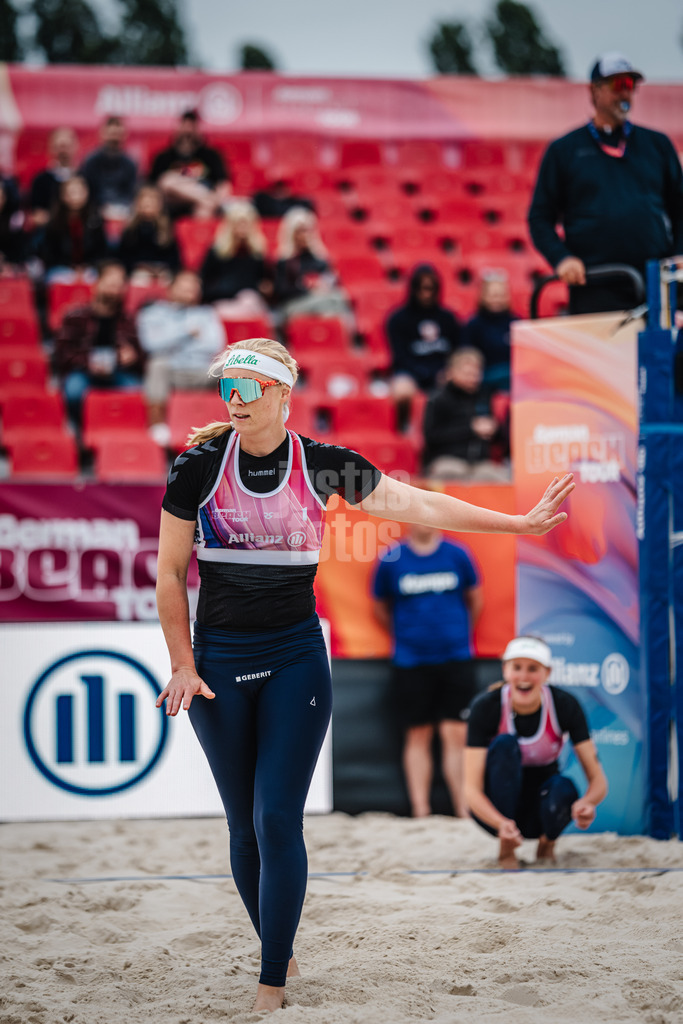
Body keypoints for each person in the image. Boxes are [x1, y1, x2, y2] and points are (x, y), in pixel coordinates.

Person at [154, 332, 574, 1013]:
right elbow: (169, 575)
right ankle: (277, 946)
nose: (232, 398)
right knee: (241, 828)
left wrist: (517, 525)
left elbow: (424, 507)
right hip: (217, 662)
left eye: (246, 386)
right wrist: (181, 663)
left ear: (282, 395)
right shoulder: (198, 466)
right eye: (225, 386)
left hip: (294, 654)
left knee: (277, 818)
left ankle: (271, 985)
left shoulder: (323, 466)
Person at [528, 53, 683, 315]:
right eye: (616, 85)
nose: (624, 94)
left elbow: (680, 209)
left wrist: (680, 253)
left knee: (660, 355)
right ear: (594, 91)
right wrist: (561, 258)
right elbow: (539, 218)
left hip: (655, 281)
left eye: (630, 86)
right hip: (595, 282)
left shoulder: (657, 145)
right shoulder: (564, 150)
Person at [464, 635, 608, 870]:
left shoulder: (564, 705)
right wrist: (500, 823)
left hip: (541, 808)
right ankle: (506, 847)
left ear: (547, 673)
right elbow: (471, 790)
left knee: (563, 787)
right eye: (517, 667)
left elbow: (598, 780)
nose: (523, 676)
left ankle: (547, 843)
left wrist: (587, 803)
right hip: (496, 812)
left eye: (533, 668)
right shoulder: (486, 707)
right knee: (504, 746)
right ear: (505, 670)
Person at [372, 520, 482, 818]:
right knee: (418, 734)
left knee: (455, 735)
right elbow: (380, 605)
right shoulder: (391, 558)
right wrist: (404, 635)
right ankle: (421, 811)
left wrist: (458, 634)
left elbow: (475, 599)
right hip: (411, 660)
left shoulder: (458, 553)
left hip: (455, 657)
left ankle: (463, 809)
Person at [53, 260, 145, 425]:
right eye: (111, 282)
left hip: (117, 371)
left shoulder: (127, 320)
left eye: (119, 283)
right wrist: (88, 362)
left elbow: (140, 356)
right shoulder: (75, 316)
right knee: (74, 392)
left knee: (135, 391)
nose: (115, 288)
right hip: (83, 371)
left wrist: (133, 356)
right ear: (98, 283)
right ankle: (78, 430)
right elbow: (63, 353)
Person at [136, 269, 225, 438]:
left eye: (194, 286)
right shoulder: (153, 313)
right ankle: (157, 427)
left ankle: (238, 427)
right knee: (156, 364)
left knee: (233, 368)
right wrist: (187, 333)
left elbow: (214, 345)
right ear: (171, 288)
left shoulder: (207, 313)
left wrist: (171, 342)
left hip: (203, 371)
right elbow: (151, 345)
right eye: (185, 285)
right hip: (173, 371)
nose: (191, 290)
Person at [386, 263, 461, 431]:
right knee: (402, 390)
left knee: (462, 381)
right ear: (413, 288)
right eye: (422, 288)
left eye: (430, 288)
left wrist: (448, 372)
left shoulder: (448, 318)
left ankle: (452, 428)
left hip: (442, 372)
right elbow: (400, 356)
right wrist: (424, 373)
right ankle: (402, 429)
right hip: (410, 372)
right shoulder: (398, 319)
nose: (426, 293)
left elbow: (457, 351)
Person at [422, 347, 509, 482]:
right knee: (449, 474)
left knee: (503, 478)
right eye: (467, 373)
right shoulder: (438, 399)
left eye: (476, 372)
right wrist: (471, 429)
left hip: (480, 464)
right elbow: (431, 436)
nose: (473, 377)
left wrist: (494, 429)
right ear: (451, 372)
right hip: (447, 460)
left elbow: (501, 438)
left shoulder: (484, 396)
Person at [272, 206, 351, 323]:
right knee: (333, 302)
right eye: (300, 231)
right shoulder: (284, 261)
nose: (305, 235)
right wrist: (308, 288)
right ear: (291, 233)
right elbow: (281, 292)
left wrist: (323, 285)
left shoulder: (319, 258)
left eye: (308, 230)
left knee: (338, 299)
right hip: (294, 305)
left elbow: (331, 282)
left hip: (321, 300)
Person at [149, 109, 231, 220]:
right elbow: (156, 187)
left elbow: (223, 185)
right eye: (184, 126)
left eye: (192, 127)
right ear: (177, 128)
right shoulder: (163, 157)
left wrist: (215, 201)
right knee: (167, 181)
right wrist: (205, 198)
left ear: (198, 130)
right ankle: (204, 199)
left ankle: (201, 234)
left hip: (204, 205)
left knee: (204, 209)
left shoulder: (212, 156)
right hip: (172, 203)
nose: (188, 131)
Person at [199, 199, 272, 316]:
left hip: (250, 302)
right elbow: (205, 283)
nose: (243, 227)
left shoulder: (258, 253)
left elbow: (263, 282)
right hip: (222, 302)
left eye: (246, 223)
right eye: (239, 223)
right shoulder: (217, 252)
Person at [40, 175, 109, 278]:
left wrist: (87, 266)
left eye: (79, 192)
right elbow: (49, 253)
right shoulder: (54, 222)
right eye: (71, 193)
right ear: (63, 195)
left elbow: (101, 251)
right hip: (61, 268)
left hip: (89, 268)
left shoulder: (96, 220)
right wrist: (70, 266)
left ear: (86, 193)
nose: (76, 197)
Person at [462, 269, 516, 394]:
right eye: (493, 295)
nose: (497, 299)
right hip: (484, 379)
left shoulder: (515, 322)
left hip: (513, 376)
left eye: (501, 295)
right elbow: (467, 355)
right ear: (483, 296)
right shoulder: (473, 324)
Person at [117, 185, 181, 281]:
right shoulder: (130, 229)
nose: (148, 206)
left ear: (159, 205)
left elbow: (174, 258)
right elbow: (124, 257)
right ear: (137, 204)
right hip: (137, 272)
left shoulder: (167, 228)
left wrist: (160, 269)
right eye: (145, 203)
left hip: (162, 272)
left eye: (152, 202)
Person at [79, 117, 138, 219]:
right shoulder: (91, 161)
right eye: (111, 134)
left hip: (124, 212)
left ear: (124, 135)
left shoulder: (130, 163)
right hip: (94, 212)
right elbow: (86, 190)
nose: (114, 138)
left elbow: (132, 192)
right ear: (102, 134)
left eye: (117, 135)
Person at [29, 127, 79, 228]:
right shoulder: (40, 180)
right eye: (60, 146)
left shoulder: (83, 178)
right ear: (51, 148)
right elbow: (37, 216)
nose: (63, 151)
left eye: (67, 146)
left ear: (75, 147)